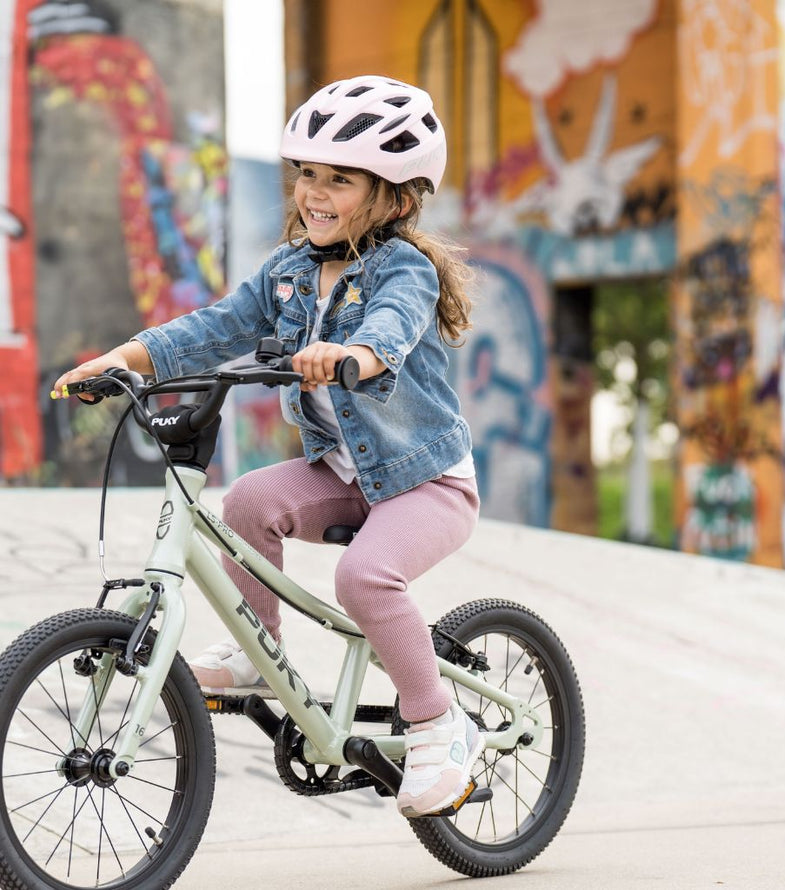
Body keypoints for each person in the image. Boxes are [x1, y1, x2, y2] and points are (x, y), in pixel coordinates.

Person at [52, 75, 484, 818]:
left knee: (366, 577)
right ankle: (259, 657)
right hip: (345, 476)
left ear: (398, 199)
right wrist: (124, 359)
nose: (314, 192)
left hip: (426, 484)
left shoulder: (402, 268)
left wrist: (351, 355)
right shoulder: (288, 272)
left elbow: (393, 327)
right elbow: (212, 326)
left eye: (340, 180)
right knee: (248, 501)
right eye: (307, 174)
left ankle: (438, 724)